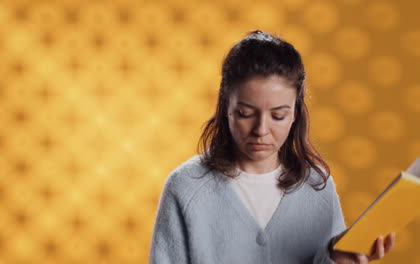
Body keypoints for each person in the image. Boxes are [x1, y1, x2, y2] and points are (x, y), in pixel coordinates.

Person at [149, 30, 396, 264]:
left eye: (278, 115)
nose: (261, 130)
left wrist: (337, 257)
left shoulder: (318, 188)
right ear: (226, 108)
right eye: (246, 113)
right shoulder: (186, 188)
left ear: (295, 113)